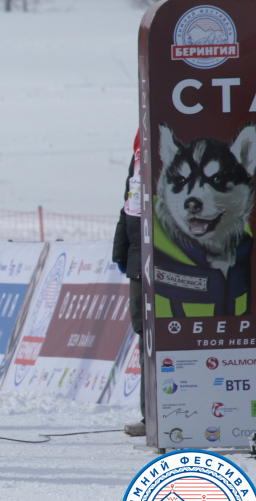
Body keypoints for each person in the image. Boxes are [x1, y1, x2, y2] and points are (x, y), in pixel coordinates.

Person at [112, 130, 145, 437]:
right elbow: (128, 200)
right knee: (143, 328)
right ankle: (151, 416)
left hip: (168, 254)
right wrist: (120, 247)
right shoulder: (137, 151)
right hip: (138, 253)